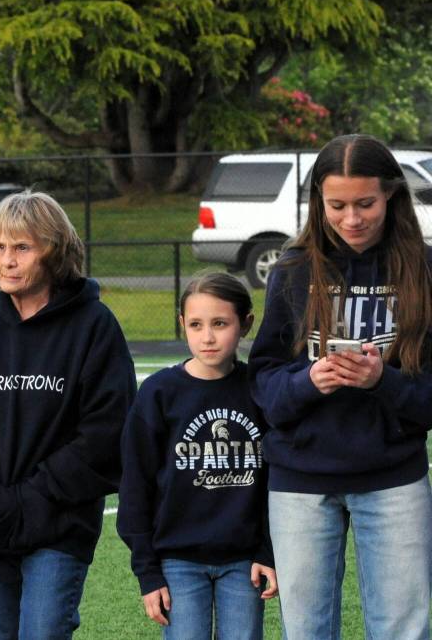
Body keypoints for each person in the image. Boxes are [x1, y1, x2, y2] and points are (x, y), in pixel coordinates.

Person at [0, 190, 135, 640]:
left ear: (54, 252)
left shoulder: (94, 326)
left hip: (58, 522)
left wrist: (37, 493)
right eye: (0, 247)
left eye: (22, 247)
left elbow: (106, 429)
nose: (7, 260)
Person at [249, 134, 432, 638]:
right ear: (318, 203)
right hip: (300, 481)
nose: (352, 218)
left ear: (391, 196)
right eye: (337, 205)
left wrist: (382, 382)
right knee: (306, 630)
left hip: (394, 477)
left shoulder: (424, 269)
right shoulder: (291, 269)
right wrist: (309, 380)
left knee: (403, 629)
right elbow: (264, 384)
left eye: (366, 203)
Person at [118, 272, 277, 640]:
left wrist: (269, 552)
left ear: (246, 324)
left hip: (244, 562)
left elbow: (277, 483)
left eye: (220, 323)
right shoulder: (159, 393)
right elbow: (135, 486)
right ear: (181, 325)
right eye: (196, 324)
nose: (207, 336)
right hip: (178, 561)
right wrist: (148, 572)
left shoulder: (259, 391)